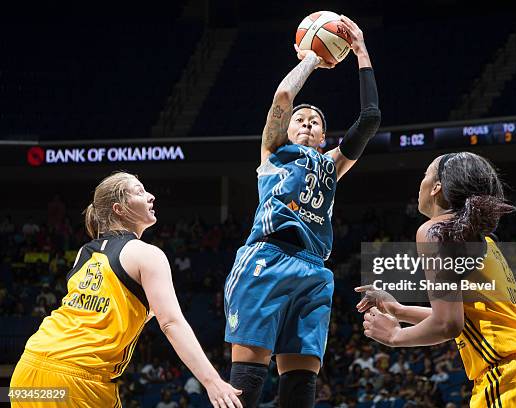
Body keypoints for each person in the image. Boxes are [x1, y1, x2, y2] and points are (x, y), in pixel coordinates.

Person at [224, 15, 381, 408]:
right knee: (249, 381)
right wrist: (311, 59)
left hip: (313, 270)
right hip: (267, 258)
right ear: (287, 129)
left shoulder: (332, 163)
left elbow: (370, 119)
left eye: (315, 122)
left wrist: (360, 50)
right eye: (300, 120)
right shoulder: (274, 152)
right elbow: (281, 98)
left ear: (324, 136)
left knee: (299, 391)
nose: (307, 123)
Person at [10, 172, 241, 408]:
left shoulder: (85, 252)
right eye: (140, 191)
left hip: (28, 370)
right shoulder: (147, 254)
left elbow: (108, 308)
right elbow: (171, 323)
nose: (151, 196)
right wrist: (212, 381)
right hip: (79, 380)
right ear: (119, 209)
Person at [356, 152, 516, 407]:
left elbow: (448, 324)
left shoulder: (435, 230)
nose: (420, 182)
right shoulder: (480, 239)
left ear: (437, 187)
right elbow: (465, 319)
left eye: (425, 175)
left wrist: (395, 336)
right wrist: (398, 310)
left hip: (510, 377)